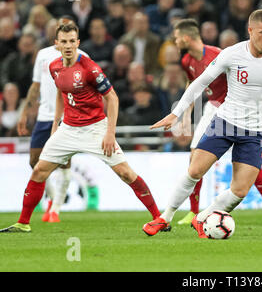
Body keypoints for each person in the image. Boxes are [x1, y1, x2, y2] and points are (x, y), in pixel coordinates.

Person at [143, 9, 262, 238]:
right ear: (250, 31)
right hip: (225, 121)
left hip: (255, 131)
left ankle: (202, 218)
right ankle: (164, 217)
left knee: (239, 190)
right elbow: (199, 83)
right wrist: (176, 113)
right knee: (195, 169)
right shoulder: (231, 54)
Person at [0, 23, 161, 233]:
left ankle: (158, 217)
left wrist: (110, 133)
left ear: (77, 43)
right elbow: (61, 93)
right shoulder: (54, 66)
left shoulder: (89, 68)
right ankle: (23, 223)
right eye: (63, 42)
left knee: (126, 174)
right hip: (68, 129)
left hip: (95, 129)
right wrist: (57, 124)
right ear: (56, 44)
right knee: (39, 170)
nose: (68, 45)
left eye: (71, 41)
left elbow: (112, 98)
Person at [172, 18, 262, 226]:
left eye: (177, 38)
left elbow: (244, 77)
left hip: (237, 110)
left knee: (249, 164)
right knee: (194, 158)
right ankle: (193, 211)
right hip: (213, 108)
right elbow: (193, 83)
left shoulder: (216, 54)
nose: (175, 42)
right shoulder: (187, 61)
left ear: (186, 37)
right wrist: (187, 115)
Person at [15, 17, 86, 223]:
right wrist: (24, 113)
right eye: (61, 36)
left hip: (68, 117)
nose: (66, 42)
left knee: (63, 162)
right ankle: (54, 198)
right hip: (44, 116)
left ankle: (55, 210)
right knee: (34, 161)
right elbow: (35, 85)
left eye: (70, 38)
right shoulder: (43, 55)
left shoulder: (83, 57)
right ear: (56, 37)